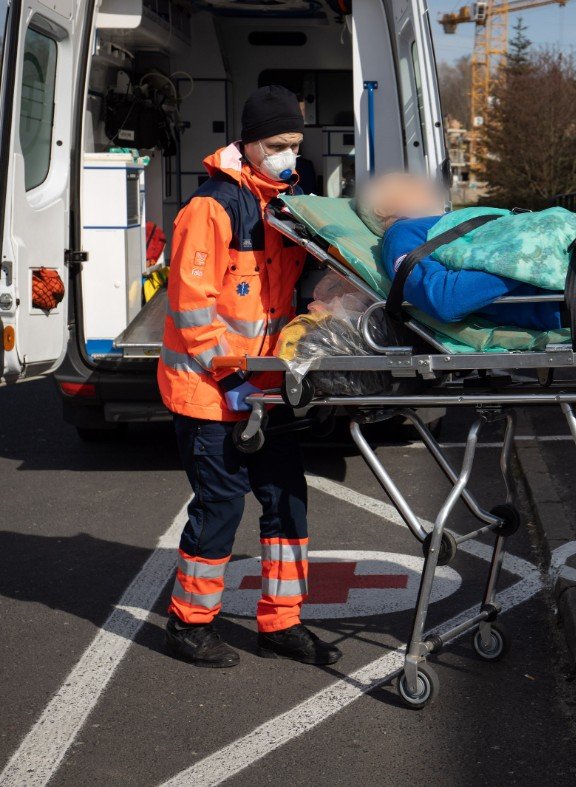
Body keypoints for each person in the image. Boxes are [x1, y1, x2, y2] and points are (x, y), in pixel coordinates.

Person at [158, 85, 341, 668]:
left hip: (265, 384)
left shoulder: (289, 202)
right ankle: (189, 624)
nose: (289, 155)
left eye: (295, 144)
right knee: (220, 506)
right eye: (278, 144)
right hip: (210, 389)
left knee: (286, 500)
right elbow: (192, 308)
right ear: (251, 142)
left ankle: (281, 623)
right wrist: (230, 377)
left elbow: (295, 291)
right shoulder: (212, 208)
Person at [355, 173, 576, 329]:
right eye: (410, 181)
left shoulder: (452, 224)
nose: (424, 182)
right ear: (390, 208)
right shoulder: (402, 234)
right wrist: (532, 256)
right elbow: (444, 298)